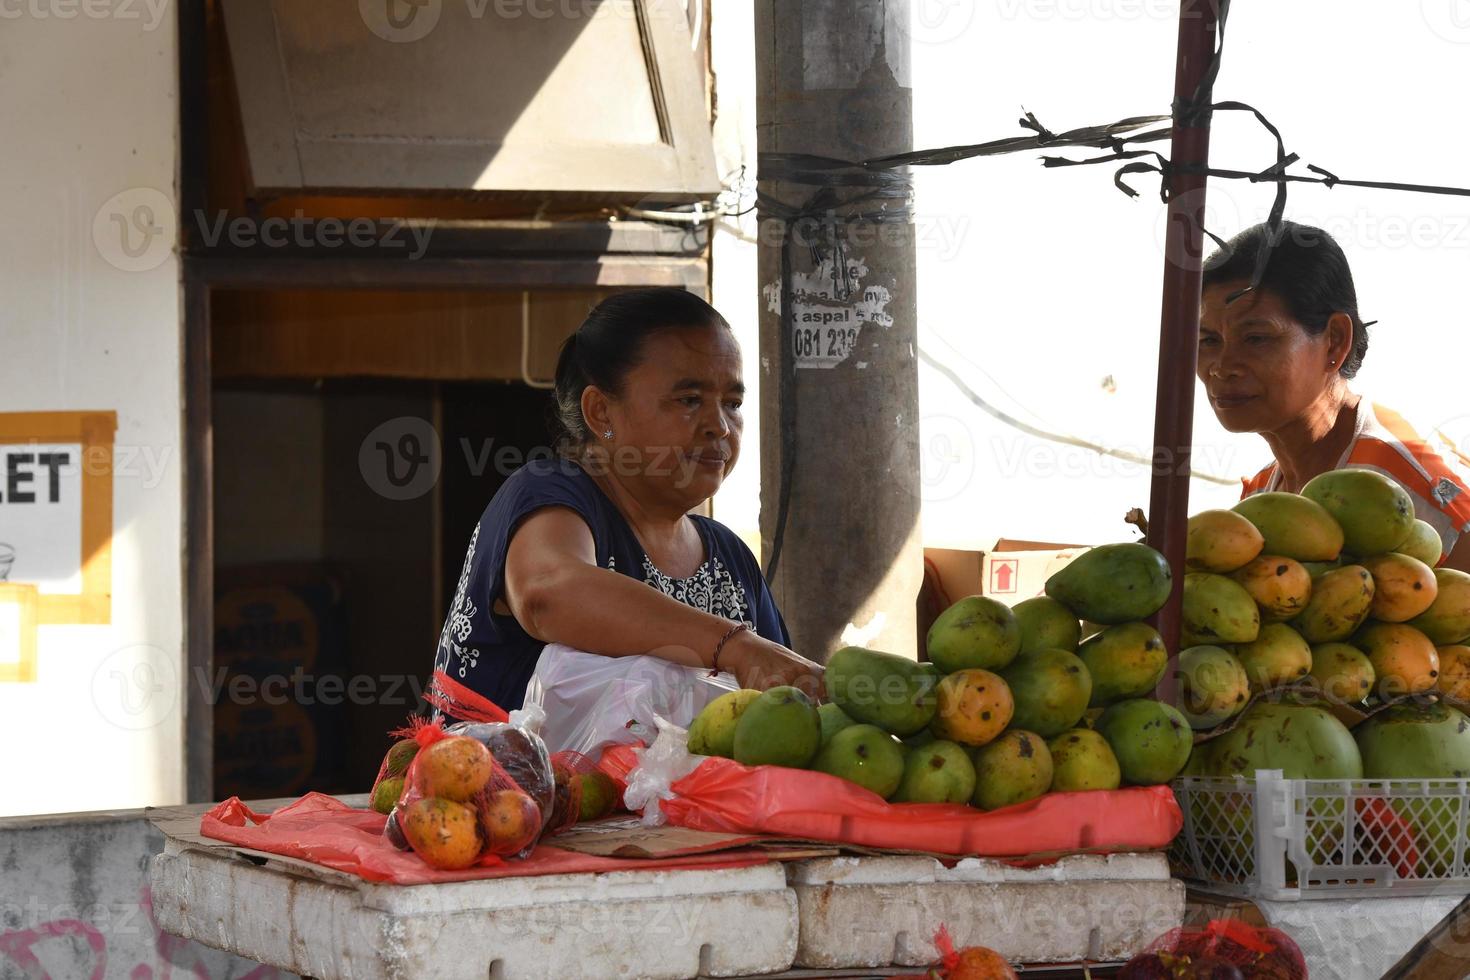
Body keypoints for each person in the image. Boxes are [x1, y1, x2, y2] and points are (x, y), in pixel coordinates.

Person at [428, 288, 823, 714]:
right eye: (689, 400)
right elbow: (548, 594)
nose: (720, 427)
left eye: (732, 403)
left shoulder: (730, 557)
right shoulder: (550, 492)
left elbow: (782, 713)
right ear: (600, 413)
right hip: (497, 781)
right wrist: (735, 645)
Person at [1198, 220, 1470, 572]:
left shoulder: (1399, 482)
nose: (1222, 366)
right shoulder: (1267, 489)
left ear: (1335, 340)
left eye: (1256, 339)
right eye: (1208, 341)